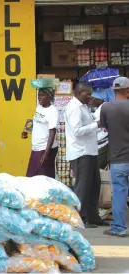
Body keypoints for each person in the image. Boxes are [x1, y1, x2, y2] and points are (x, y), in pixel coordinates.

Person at [64, 82, 107, 228]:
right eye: (87, 94)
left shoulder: (83, 107)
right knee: (83, 187)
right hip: (81, 152)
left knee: (94, 185)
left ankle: (93, 217)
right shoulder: (74, 108)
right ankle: (79, 218)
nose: (90, 97)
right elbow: (77, 131)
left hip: (90, 151)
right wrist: (97, 124)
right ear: (78, 92)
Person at [100, 76, 129, 237]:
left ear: (113, 90)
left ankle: (119, 228)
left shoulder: (106, 107)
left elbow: (104, 129)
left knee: (119, 193)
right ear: (128, 90)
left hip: (118, 158)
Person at [22, 87, 58, 178]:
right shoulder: (38, 107)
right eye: (39, 95)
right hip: (36, 147)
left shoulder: (52, 111)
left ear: (49, 97)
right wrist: (27, 130)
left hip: (45, 148)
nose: (40, 98)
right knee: (32, 176)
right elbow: (35, 120)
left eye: (43, 95)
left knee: (44, 178)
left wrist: (46, 153)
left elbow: (52, 132)